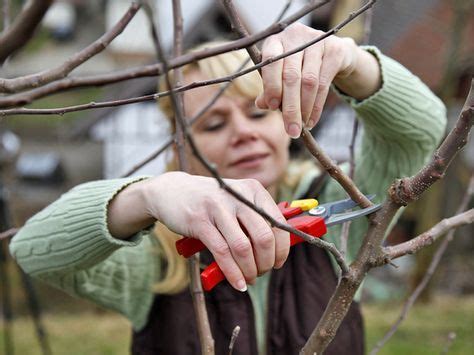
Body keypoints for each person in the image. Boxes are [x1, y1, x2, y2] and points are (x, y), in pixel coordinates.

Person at [9, 23, 446, 354]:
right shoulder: (155, 257)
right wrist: (146, 195)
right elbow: (32, 249)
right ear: (183, 146)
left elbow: (420, 132)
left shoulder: (338, 209)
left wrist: (351, 62)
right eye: (214, 124)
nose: (243, 133)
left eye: (258, 114)